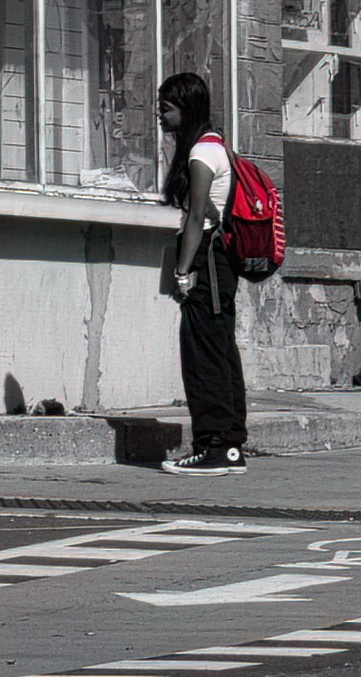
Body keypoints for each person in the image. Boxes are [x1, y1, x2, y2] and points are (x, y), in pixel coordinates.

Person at [156, 71, 249, 476]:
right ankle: (228, 446)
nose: (161, 115)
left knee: (202, 354)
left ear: (187, 108)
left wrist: (180, 272)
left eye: (168, 108)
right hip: (222, 262)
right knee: (221, 349)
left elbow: (197, 218)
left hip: (206, 262)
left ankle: (212, 445)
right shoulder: (217, 146)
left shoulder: (200, 154)